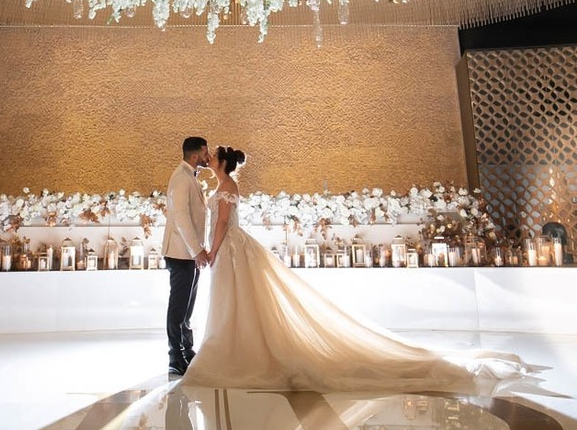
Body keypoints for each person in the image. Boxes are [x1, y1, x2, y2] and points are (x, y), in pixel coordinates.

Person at [182, 146, 539, 394]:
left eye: (212, 156)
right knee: (239, 302)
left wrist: (211, 251)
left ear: (222, 164)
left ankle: (236, 353)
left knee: (236, 300)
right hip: (234, 250)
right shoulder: (225, 184)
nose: (208, 158)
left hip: (229, 248)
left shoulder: (226, 187)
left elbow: (223, 222)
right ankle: (239, 348)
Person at [162, 135, 211, 376]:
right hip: (181, 252)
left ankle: (187, 349)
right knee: (179, 307)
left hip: (189, 254)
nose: (208, 156)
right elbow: (181, 217)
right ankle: (175, 355)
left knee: (187, 307)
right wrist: (196, 250)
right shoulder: (181, 178)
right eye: (205, 152)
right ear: (195, 154)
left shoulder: (189, 177)